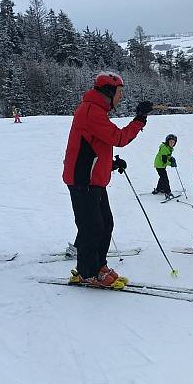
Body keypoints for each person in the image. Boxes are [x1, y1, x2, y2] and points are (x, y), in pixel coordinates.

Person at [63, 72, 153, 289]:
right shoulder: (91, 111)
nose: (121, 96)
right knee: (91, 227)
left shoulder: (97, 111)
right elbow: (118, 138)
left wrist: (110, 164)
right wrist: (139, 119)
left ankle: (98, 266)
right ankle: (87, 273)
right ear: (108, 92)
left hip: (93, 178)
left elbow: (96, 145)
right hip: (82, 179)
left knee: (105, 224)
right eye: (120, 92)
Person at [152, 133, 178, 199]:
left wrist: (171, 158)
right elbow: (164, 160)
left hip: (162, 165)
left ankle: (158, 189)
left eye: (173, 142)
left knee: (162, 177)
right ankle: (167, 192)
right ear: (167, 141)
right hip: (159, 165)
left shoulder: (168, 148)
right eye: (170, 142)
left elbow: (167, 156)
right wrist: (171, 163)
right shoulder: (164, 148)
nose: (172, 143)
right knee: (165, 179)